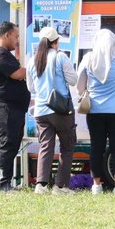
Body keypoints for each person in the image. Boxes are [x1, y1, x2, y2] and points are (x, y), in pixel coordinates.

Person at [77, 28, 115, 194]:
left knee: (96, 147)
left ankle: (96, 185)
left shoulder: (88, 58)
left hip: (95, 110)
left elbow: (79, 85)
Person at [28, 25, 77, 194]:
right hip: (60, 109)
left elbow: (31, 88)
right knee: (67, 146)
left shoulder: (32, 60)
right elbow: (73, 80)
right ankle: (60, 186)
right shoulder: (60, 56)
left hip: (40, 110)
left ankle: (41, 185)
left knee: (45, 146)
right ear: (56, 42)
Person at [0, 21, 29, 191]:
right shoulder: (0, 54)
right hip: (5, 107)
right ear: (7, 35)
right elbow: (17, 74)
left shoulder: (4, 54)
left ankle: (6, 182)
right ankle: (1, 183)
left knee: (12, 144)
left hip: (13, 108)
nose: (17, 41)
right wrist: (34, 67)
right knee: (7, 144)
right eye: (16, 36)